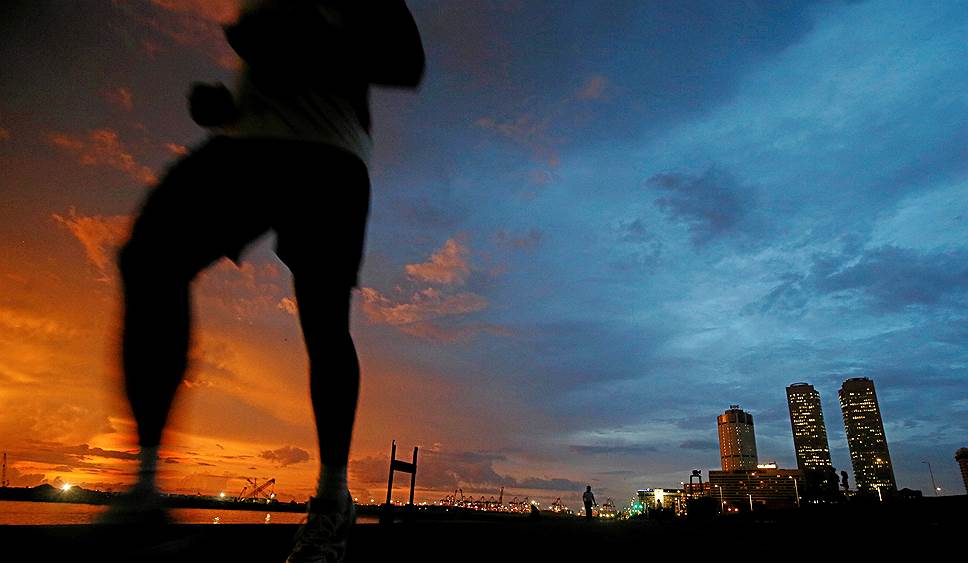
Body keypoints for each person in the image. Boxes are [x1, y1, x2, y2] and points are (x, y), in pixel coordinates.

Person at [101, 2, 424, 562]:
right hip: (247, 144)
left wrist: (299, 41)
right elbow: (274, 75)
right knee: (149, 259)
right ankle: (146, 490)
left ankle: (330, 500)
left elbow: (406, 61)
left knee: (323, 324)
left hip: (329, 158)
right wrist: (230, 106)